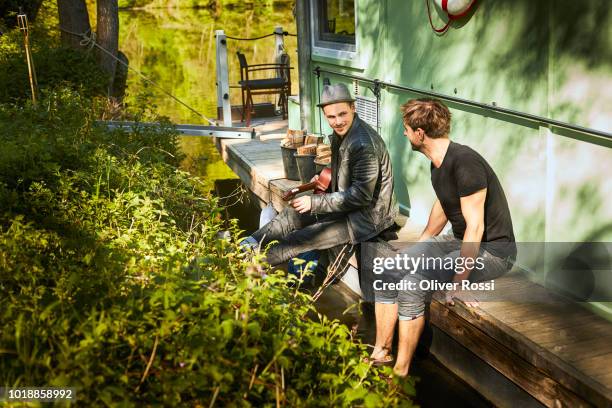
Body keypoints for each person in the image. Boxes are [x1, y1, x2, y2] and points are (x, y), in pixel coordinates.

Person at [370, 98, 516, 376]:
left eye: (406, 129)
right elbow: (444, 206)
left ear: (420, 133)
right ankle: (381, 352)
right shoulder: (438, 164)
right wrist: (421, 246)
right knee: (389, 270)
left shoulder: (465, 163)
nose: (404, 133)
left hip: (494, 253)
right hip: (456, 240)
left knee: (413, 283)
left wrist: (459, 282)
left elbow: (476, 228)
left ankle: (400, 372)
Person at [241, 83, 398, 270]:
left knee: (300, 238)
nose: (337, 121)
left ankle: (248, 268)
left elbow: (361, 196)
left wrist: (314, 203)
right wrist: (318, 178)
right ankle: (245, 245)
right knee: (292, 214)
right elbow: (343, 170)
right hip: (347, 208)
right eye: (331, 116)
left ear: (353, 108)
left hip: (367, 218)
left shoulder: (363, 145)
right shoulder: (343, 134)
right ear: (325, 115)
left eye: (342, 114)